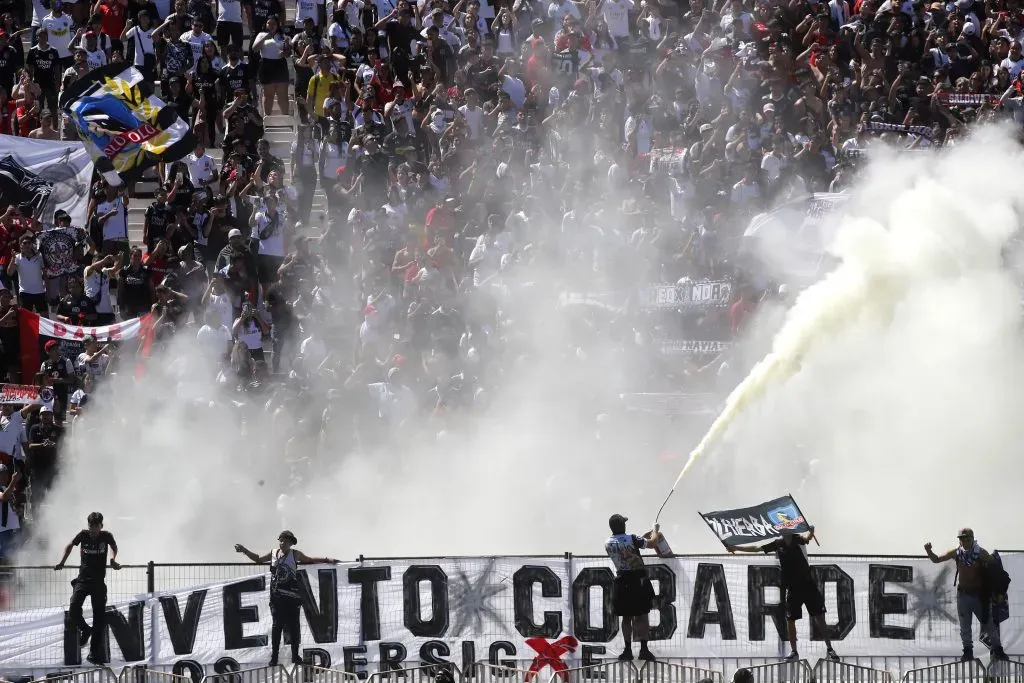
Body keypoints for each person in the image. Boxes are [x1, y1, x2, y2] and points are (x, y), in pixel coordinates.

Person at [729, 527, 839, 662]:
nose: (783, 530)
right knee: (790, 620)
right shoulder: (778, 543)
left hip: (807, 585)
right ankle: (794, 651)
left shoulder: (798, 539)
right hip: (792, 588)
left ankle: (830, 649)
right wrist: (736, 548)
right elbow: (757, 548)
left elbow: (807, 538)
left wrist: (811, 531)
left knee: (820, 618)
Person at [233, 531, 338, 665]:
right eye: (281, 540)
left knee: (294, 627)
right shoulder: (273, 553)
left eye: (285, 541)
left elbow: (310, 560)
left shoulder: (295, 554)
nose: (282, 543)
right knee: (277, 627)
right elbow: (258, 559)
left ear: (290, 543)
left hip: (292, 597)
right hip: (276, 598)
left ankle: (295, 656)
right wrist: (244, 550)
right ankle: (274, 657)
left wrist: (327, 559)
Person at [925, 528, 1009, 662]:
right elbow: (936, 559)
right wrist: (929, 551)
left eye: (968, 539)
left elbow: (996, 570)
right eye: (962, 539)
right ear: (960, 540)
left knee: (989, 624)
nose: (965, 542)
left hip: (979, 596)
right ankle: (968, 652)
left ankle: (998, 650)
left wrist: (998, 591)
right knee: (965, 626)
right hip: (963, 596)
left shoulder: (981, 553)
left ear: (972, 539)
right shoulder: (957, 553)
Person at [54, 511, 121, 665]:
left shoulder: (107, 536)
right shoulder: (83, 535)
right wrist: (62, 562)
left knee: (99, 618)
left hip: (98, 582)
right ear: (88, 525)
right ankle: (85, 629)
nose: (93, 531)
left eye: (96, 527)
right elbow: (70, 545)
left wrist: (113, 559)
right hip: (83, 580)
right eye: (91, 526)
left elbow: (114, 547)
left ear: (101, 526)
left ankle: (93, 653)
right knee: (73, 608)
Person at [604, 513, 660, 661]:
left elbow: (624, 550)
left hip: (622, 579)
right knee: (642, 615)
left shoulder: (608, 543)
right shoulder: (632, 538)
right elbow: (653, 543)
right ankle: (644, 649)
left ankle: (627, 650)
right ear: (623, 525)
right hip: (638, 579)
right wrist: (655, 530)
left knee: (626, 617)